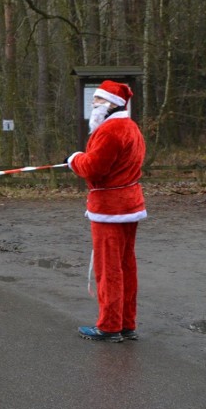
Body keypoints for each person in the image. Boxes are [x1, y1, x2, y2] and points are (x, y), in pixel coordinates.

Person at [67, 80, 146, 343]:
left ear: (112, 103)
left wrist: (74, 159)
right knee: (126, 265)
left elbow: (93, 168)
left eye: (98, 101)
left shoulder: (111, 130)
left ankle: (109, 326)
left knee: (108, 268)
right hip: (130, 203)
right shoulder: (131, 127)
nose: (94, 104)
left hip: (110, 207)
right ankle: (126, 323)